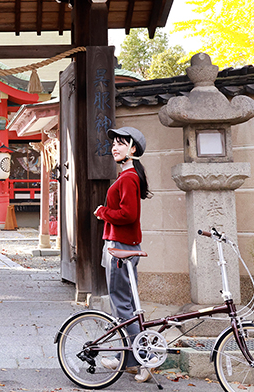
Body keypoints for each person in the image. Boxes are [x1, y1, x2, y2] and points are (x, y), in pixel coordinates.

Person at [93, 126, 153, 382]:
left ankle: (144, 360)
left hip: (121, 247)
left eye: (120, 143)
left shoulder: (128, 178)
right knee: (125, 305)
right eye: (114, 143)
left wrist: (102, 212)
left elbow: (129, 215)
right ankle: (128, 359)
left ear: (133, 149)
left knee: (123, 305)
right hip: (121, 245)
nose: (114, 147)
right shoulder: (128, 176)